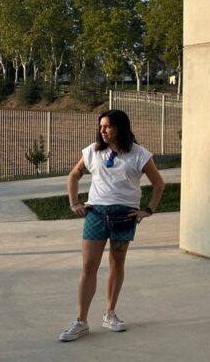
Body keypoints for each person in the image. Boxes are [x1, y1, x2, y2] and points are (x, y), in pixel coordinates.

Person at [59, 109, 165, 341]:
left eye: (107, 126)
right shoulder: (93, 151)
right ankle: (81, 321)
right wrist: (74, 202)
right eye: (101, 127)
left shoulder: (139, 154)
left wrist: (148, 210)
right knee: (89, 266)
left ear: (120, 127)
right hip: (96, 214)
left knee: (116, 264)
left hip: (124, 216)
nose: (103, 131)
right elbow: (74, 175)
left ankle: (110, 313)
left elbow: (158, 183)